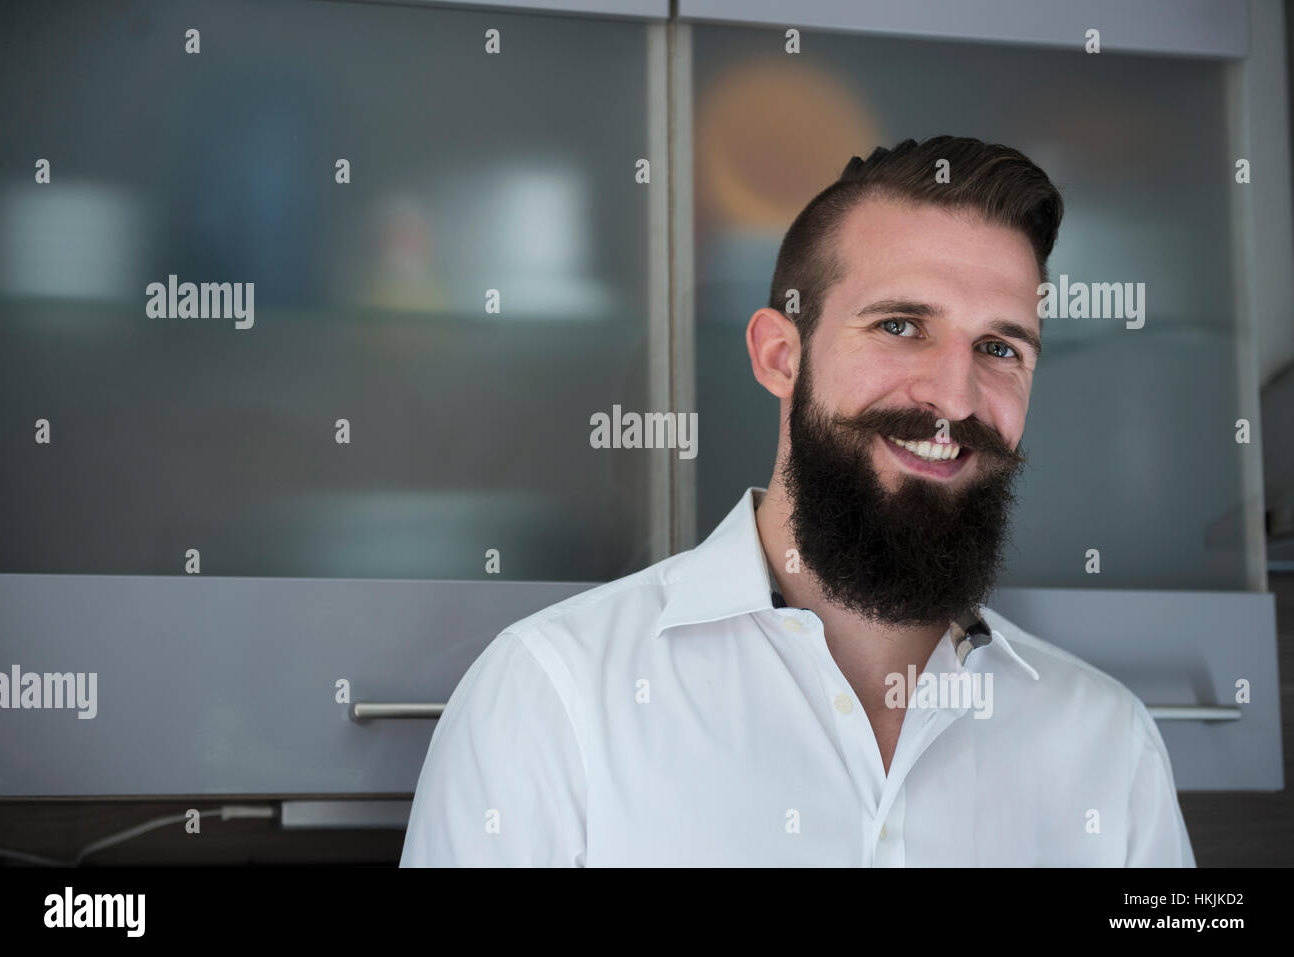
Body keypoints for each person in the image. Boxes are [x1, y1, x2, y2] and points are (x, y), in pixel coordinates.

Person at [400, 135, 1195, 866]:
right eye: (900, 325)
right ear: (781, 355)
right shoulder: (552, 701)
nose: (955, 398)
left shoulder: (1109, 747)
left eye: (998, 347)